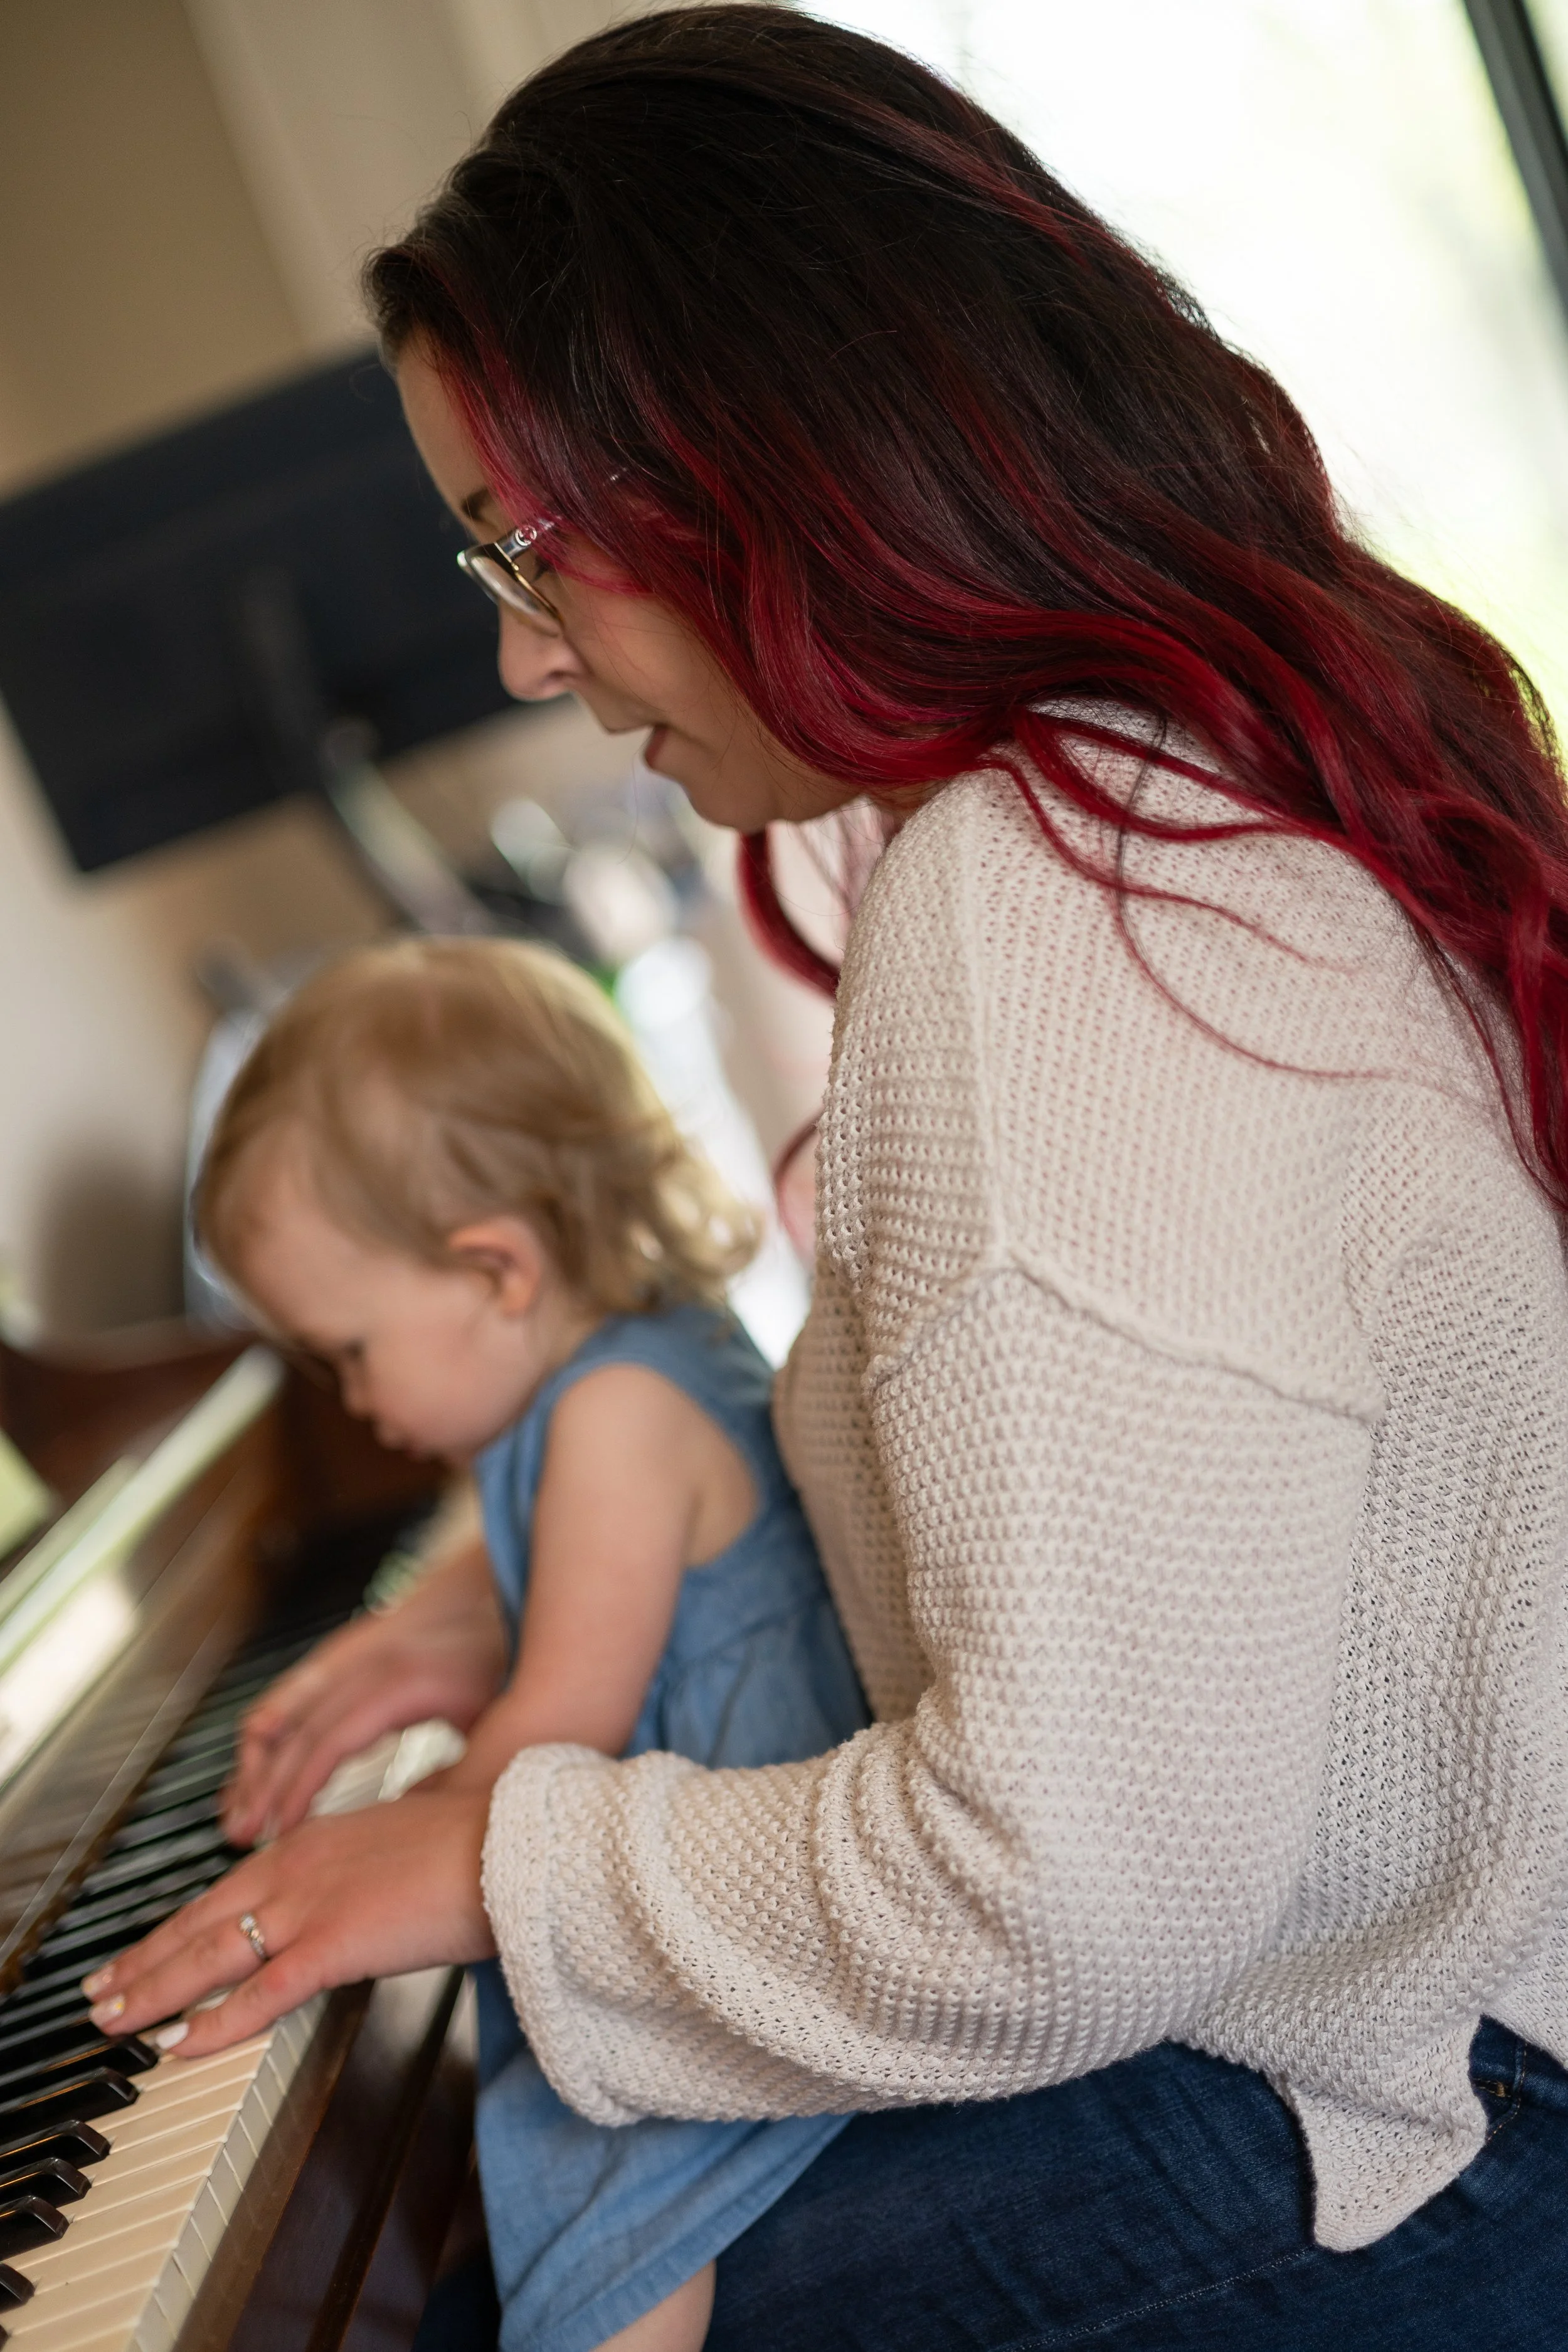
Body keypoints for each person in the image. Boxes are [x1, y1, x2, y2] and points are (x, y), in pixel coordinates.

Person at [87, 7, 1568, 2343]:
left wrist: (497, 1846)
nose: (519, 648)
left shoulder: (1052, 902)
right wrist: (526, 1609)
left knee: (499, 2293)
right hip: (1408, 1983)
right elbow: (1099, 1504)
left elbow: (1073, 1885)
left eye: (524, 545)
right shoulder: (1141, 792)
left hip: (1429, 2097)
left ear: (766, 473)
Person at [110, 935, 867, 2352]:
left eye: (347, 1351)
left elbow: (551, 1737)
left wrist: (349, 1851)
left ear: (495, 1270)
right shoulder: (621, 1358)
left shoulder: (608, 1419)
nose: (349, 1399)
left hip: (717, 1954)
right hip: (687, 1859)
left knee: (611, 2242)